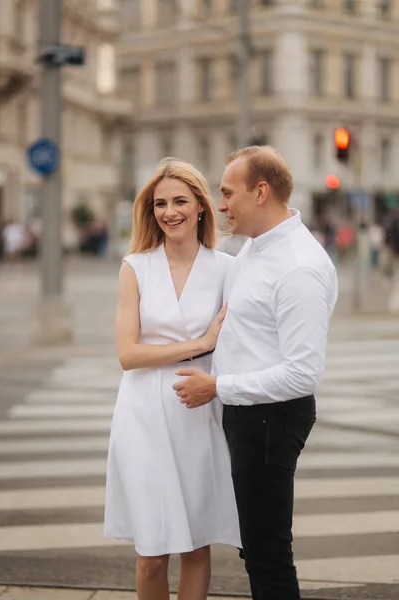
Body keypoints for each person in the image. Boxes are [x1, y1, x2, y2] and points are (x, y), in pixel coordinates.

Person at [173, 146, 338, 600]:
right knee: (257, 549)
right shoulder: (251, 252)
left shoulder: (298, 266)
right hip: (247, 415)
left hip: (270, 418)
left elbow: (303, 374)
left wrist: (217, 386)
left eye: (227, 193)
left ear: (260, 191)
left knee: (267, 554)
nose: (220, 203)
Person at [104, 158, 241, 600]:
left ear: (201, 206)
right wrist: (200, 344)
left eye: (180, 200)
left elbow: (235, 345)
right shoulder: (135, 267)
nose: (169, 212)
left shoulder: (226, 268)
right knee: (152, 552)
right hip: (142, 414)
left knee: (197, 546)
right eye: (160, 203)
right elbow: (128, 355)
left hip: (198, 414)